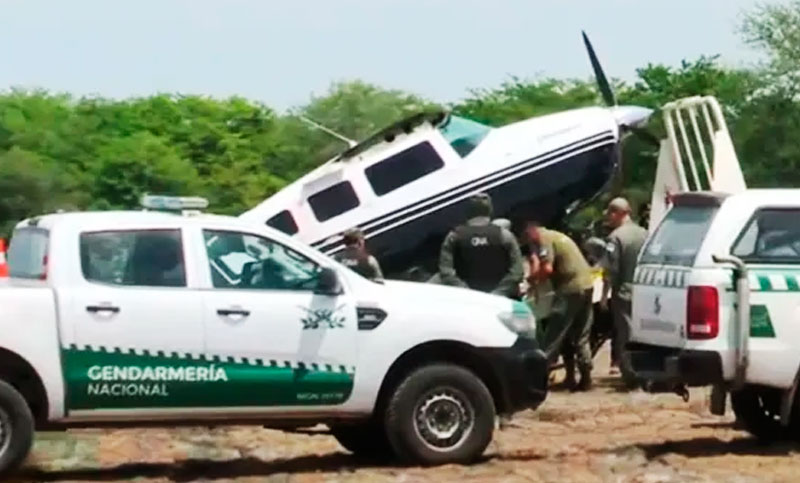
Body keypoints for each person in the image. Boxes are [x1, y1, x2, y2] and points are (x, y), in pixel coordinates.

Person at [525, 221, 595, 391]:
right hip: (586, 285)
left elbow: (547, 269)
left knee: (553, 336)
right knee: (580, 334)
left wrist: (533, 281)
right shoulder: (557, 235)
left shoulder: (544, 239)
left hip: (569, 289)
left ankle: (538, 381)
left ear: (530, 232)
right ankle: (584, 378)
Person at [439, 193, 524, 298]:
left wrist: (470, 294)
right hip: (502, 302)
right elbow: (517, 271)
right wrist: (498, 293)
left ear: (467, 212)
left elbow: (446, 272)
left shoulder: (454, 236)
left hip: (467, 302)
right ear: (490, 210)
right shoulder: (504, 235)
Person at [602, 197, 648, 382]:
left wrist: (605, 296)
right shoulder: (645, 233)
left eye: (610, 214)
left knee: (625, 332)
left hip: (624, 292)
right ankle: (644, 369)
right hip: (643, 291)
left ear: (617, 213)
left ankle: (630, 374)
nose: (609, 218)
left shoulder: (615, 238)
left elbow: (611, 270)